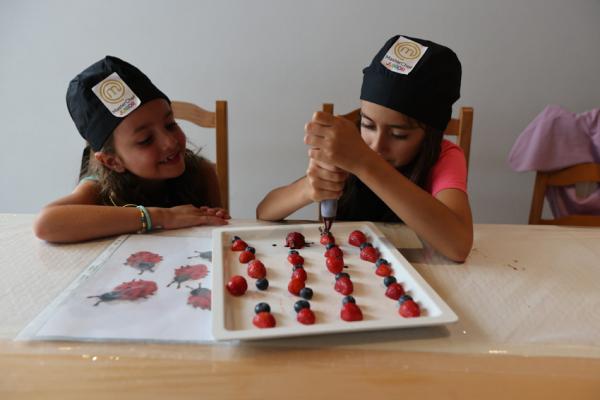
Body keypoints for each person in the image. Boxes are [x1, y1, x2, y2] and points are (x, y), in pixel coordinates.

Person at [256, 35, 473, 262]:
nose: (377, 146)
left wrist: (365, 163)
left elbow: (458, 246)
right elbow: (264, 212)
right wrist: (309, 188)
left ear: (430, 135)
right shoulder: (347, 147)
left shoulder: (444, 157)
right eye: (368, 125)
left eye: (398, 135)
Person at [34, 56, 229, 243]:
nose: (170, 142)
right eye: (146, 140)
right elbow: (45, 223)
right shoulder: (99, 189)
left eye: (170, 124)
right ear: (112, 161)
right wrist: (164, 216)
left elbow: (218, 238)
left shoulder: (202, 174)